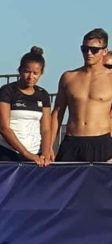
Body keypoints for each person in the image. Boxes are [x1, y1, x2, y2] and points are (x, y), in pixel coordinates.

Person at [47, 28, 112, 162]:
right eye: (84, 49)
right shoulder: (68, 77)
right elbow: (57, 113)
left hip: (101, 143)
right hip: (72, 142)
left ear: (104, 51)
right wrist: (48, 146)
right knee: (62, 182)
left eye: (94, 50)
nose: (89, 53)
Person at [0, 47, 52, 165]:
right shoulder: (7, 91)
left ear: (41, 73)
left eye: (35, 73)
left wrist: (45, 154)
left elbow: (46, 129)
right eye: (27, 72)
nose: (31, 77)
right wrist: (26, 154)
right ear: (20, 70)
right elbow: (4, 128)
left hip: (36, 156)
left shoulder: (43, 94)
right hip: (9, 154)